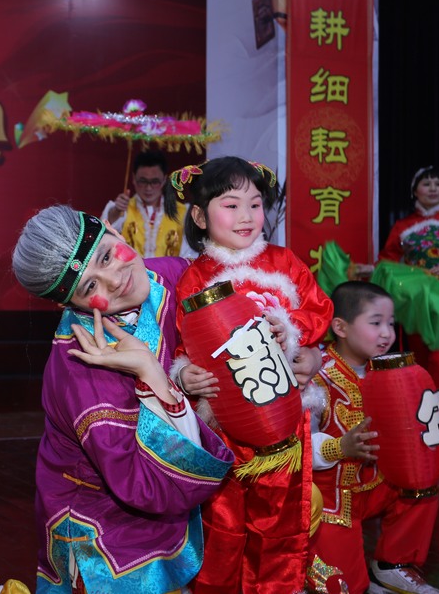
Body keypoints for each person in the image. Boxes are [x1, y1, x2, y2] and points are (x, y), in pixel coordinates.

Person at [11, 204, 234, 594]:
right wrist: (152, 373)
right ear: (69, 305)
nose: (115, 280)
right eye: (89, 287)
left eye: (106, 256)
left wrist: (297, 345)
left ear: (112, 230)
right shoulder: (82, 372)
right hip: (107, 529)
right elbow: (146, 486)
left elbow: (237, 297)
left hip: (175, 504)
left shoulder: (167, 275)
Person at [171, 157, 333, 594]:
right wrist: (185, 375)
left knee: (280, 521)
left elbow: (319, 309)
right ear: (200, 216)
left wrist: (294, 331)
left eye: (255, 204)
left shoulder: (284, 262)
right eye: (231, 205)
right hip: (225, 427)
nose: (246, 216)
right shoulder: (194, 279)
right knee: (221, 524)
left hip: (284, 418)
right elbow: (185, 344)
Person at [308, 281, 439, 594]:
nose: (387, 334)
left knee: (425, 479)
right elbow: (299, 443)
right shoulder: (317, 376)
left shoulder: (391, 373)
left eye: (391, 324)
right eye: (376, 323)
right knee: (343, 587)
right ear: (340, 327)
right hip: (333, 502)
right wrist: (339, 447)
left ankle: (392, 565)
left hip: (380, 484)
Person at [376, 166, 439, 438]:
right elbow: (388, 259)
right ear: (414, 191)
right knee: (418, 359)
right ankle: (423, 422)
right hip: (416, 300)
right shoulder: (403, 226)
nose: (433, 188)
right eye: (426, 183)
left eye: (438, 183)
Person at [102, 150, 196, 259]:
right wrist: (116, 212)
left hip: (168, 270)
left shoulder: (182, 212)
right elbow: (105, 239)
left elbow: (188, 255)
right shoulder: (121, 209)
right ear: (134, 179)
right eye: (143, 181)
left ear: (164, 180)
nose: (148, 188)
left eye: (155, 181)